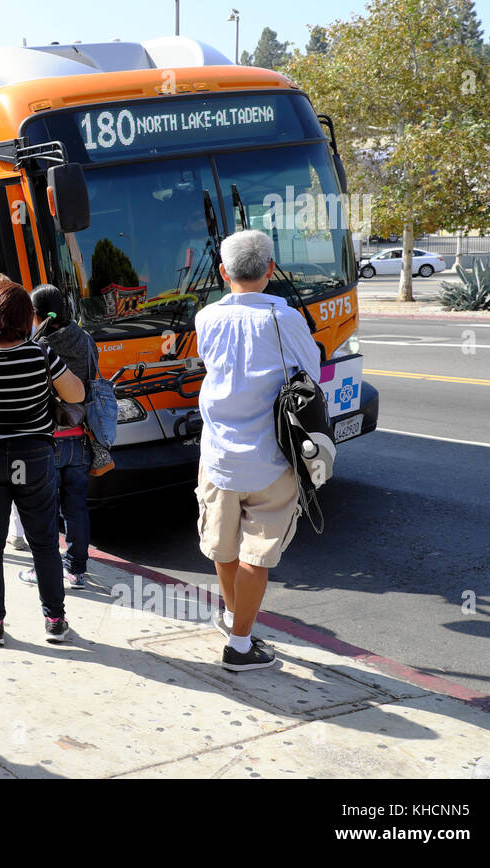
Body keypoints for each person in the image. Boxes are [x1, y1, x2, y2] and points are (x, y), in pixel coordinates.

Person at [195, 229, 319, 672]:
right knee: (256, 555)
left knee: (224, 547)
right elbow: (311, 374)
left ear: (223, 272)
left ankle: (233, 620)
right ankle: (241, 646)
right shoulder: (285, 319)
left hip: (218, 456)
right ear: (270, 270)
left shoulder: (206, 317)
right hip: (271, 458)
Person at [0, 279, 84, 646]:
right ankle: (54, 620)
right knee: (44, 542)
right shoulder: (41, 355)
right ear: (26, 317)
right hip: (35, 457)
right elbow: (77, 393)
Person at [16, 285, 99, 591]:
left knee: (44, 510)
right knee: (77, 507)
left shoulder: (38, 345)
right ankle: (76, 570)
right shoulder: (85, 339)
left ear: (36, 314)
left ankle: (45, 570)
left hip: (46, 439)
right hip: (80, 437)